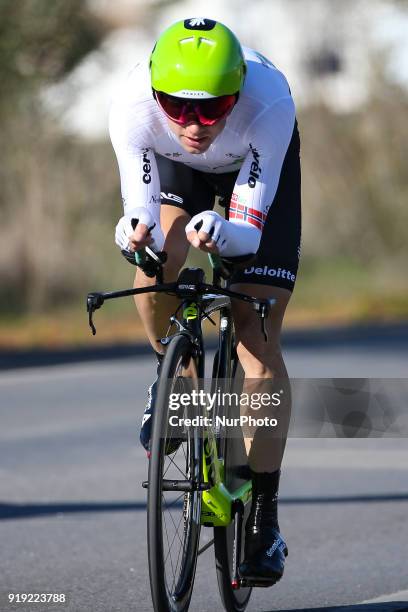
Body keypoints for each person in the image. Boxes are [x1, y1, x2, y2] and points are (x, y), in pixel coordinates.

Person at [109, 17, 301, 586]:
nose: (194, 124)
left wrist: (224, 228)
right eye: (179, 108)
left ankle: (264, 516)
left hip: (254, 173)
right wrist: (132, 236)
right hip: (180, 177)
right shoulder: (131, 106)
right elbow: (137, 211)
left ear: (237, 93)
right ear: (155, 92)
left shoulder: (269, 105)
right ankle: (178, 384)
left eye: (212, 109)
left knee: (254, 330)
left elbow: (245, 234)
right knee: (156, 263)